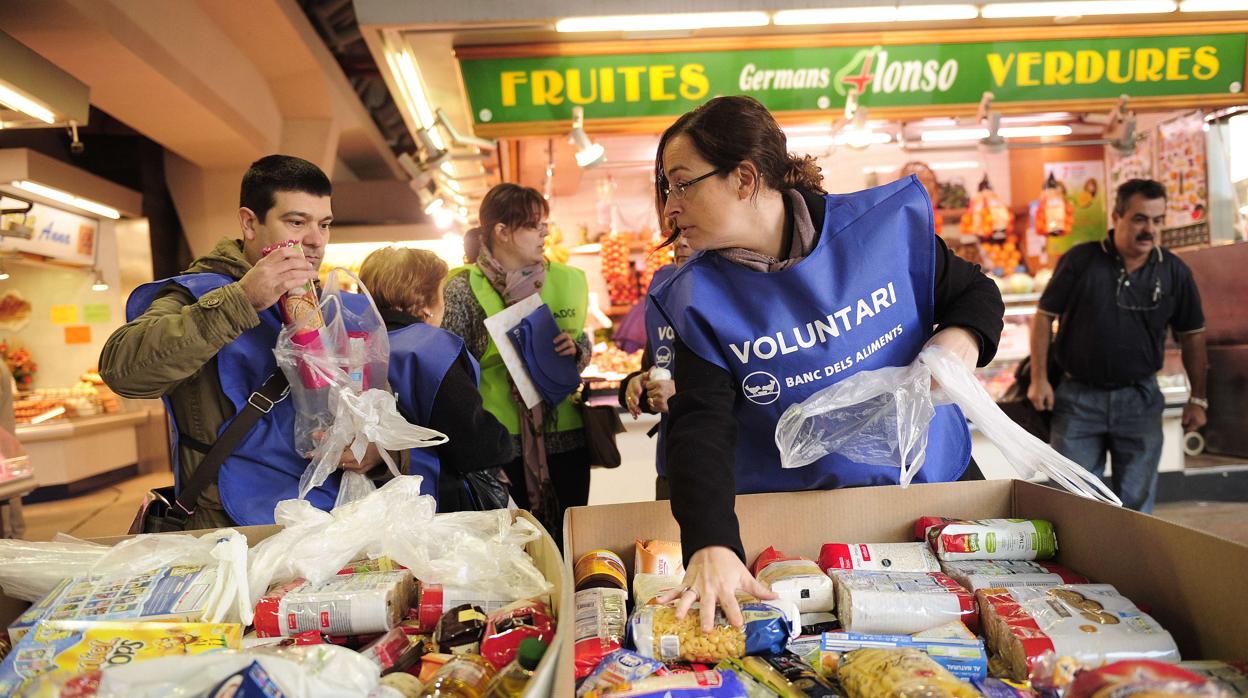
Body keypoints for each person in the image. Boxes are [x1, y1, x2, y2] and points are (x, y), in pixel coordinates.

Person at [646, 96, 1004, 630]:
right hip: (811, 526)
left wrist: (961, 339)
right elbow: (700, 425)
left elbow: (973, 291)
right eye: (666, 190)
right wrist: (712, 542)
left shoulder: (876, 233)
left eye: (681, 184)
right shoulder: (698, 297)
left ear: (745, 179)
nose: (670, 208)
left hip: (933, 491)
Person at [101, 154, 380, 529]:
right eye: (296, 222)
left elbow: (378, 408)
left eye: (325, 225)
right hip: (232, 526)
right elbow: (123, 371)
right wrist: (241, 301)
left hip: (328, 520)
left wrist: (376, 451)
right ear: (250, 223)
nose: (315, 240)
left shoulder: (336, 308)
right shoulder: (198, 294)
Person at [1028, 178, 1207, 513]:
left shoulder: (1174, 271)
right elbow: (1043, 316)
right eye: (1140, 219)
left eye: (1157, 220)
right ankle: (1080, 565)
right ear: (1117, 216)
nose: (1149, 229)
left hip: (1140, 400)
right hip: (1078, 400)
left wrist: (1198, 397)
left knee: (1137, 505)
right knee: (1073, 501)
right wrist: (1040, 378)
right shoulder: (1080, 260)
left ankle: (1129, 566)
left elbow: (1193, 335)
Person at [441, 183, 592, 540]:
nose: (544, 234)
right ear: (501, 231)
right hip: (500, 444)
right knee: (516, 546)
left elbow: (582, 341)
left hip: (566, 436)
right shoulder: (461, 289)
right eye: (533, 226)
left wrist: (577, 349)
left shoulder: (568, 280)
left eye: (545, 225)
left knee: (571, 540)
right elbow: (449, 371)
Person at [358, 246, 513, 511]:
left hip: (365, 503)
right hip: (433, 503)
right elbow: (471, 443)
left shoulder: (350, 346)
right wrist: (502, 442)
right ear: (423, 302)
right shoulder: (432, 349)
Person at [618, 235, 694, 499]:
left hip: (732, 469)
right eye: (675, 232)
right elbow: (653, 367)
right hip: (673, 465)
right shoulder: (664, 292)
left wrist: (683, 395)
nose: (680, 242)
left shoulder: (740, 295)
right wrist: (638, 384)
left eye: (691, 229)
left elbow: (760, 389)